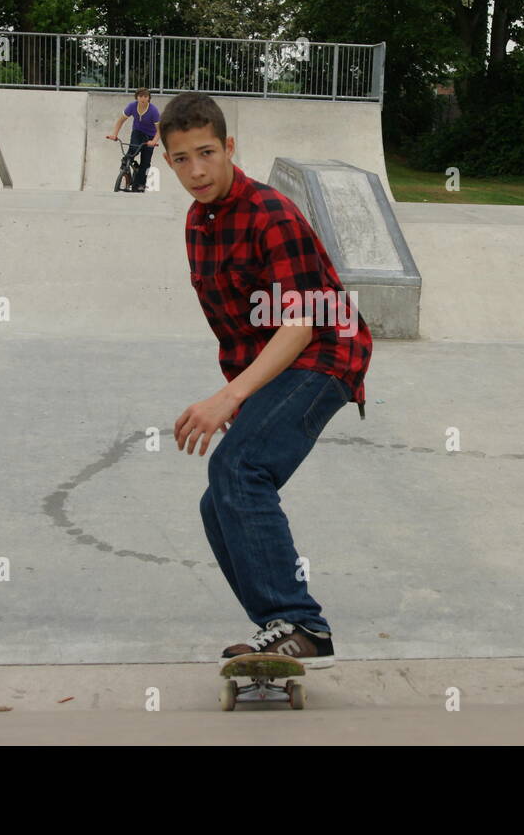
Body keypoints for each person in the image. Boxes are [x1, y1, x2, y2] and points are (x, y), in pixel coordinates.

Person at [162, 91, 372, 668]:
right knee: (218, 502)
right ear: (168, 161)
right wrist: (245, 393)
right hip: (275, 366)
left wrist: (231, 395)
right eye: (181, 159)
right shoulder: (198, 222)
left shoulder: (270, 213)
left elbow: (302, 323)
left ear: (230, 147)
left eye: (207, 152)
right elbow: (235, 323)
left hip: (327, 354)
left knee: (239, 468)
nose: (197, 170)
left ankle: (304, 625)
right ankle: (282, 628)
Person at [106, 87, 161, 192]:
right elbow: (120, 121)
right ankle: (125, 166)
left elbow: (159, 130)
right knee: (132, 150)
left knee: (145, 162)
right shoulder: (132, 106)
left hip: (150, 136)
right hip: (138, 132)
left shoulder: (153, 111)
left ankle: (139, 185)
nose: (143, 99)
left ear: (149, 98)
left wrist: (154, 141)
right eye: (140, 96)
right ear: (137, 97)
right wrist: (114, 134)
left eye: (145, 96)